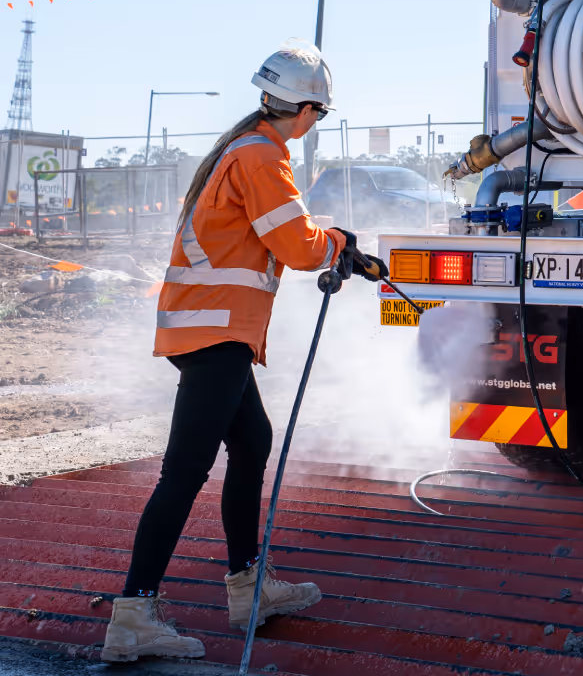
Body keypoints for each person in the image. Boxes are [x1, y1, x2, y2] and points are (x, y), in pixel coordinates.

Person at [101, 42, 386, 664]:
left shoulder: (241, 149)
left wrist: (336, 246)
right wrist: (338, 242)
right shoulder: (262, 157)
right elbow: (299, 247)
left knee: (253, 441)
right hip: (215, 332)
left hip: (208, 330)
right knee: (183, 473)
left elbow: (279, 236)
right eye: (320, 114)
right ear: (308, 109)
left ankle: (248, 588)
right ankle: (133, 615)